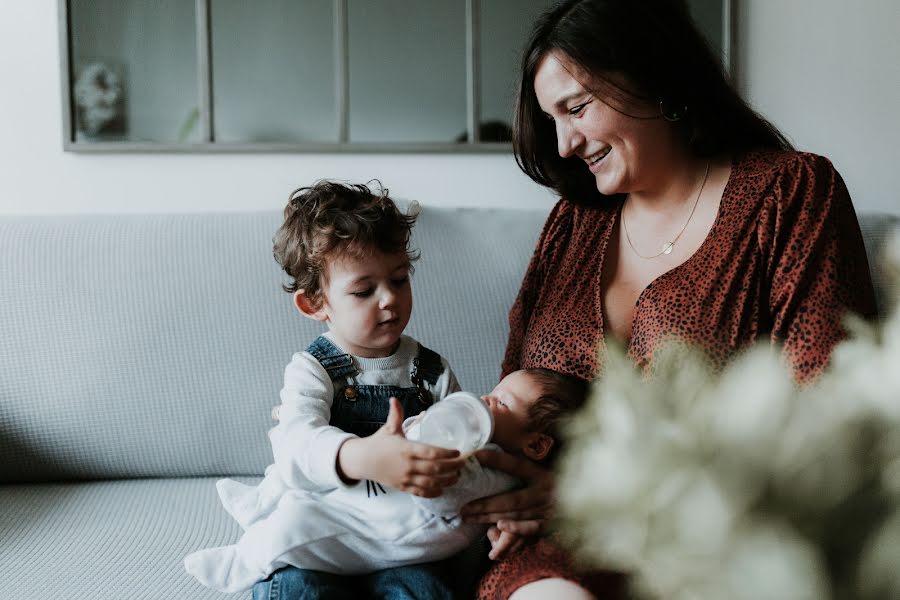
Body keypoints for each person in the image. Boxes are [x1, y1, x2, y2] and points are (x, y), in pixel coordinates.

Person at [459, 1, 879, 599]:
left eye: (576, 108)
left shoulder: (790, 193)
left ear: (652, 75)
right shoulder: (572, 224)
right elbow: (506, 409)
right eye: (552, 119)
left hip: (717, 540)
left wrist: (595, 495)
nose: (564, 144)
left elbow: (824, 415)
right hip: (553, 554)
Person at [192, 180, 466, 599]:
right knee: (293, 586)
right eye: (364, 290)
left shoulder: (430, 371)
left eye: (399, 279)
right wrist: (358, 456)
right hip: (323, 536)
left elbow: (467, 446)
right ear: (314, 304)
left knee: (428, 589)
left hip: (401, 540)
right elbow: (296, 443)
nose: (389, 299)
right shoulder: (313, 369)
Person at [184, 367, 587, 593]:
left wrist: (427, 445)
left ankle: (241, 562)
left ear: (535, 446)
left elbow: (442, 496)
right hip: (380, 496)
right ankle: (258, 503)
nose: (485, 399)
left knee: (301, 525)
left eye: (501, 402)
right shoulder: (317, 366)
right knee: (303, 484)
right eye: (492, 392)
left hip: (395, 533)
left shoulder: (496, 473)